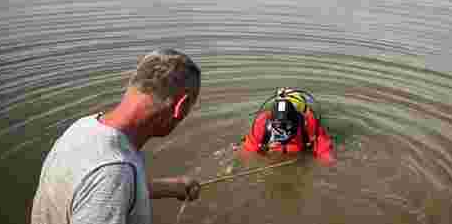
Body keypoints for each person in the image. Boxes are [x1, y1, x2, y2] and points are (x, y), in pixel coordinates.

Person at [31, 49, 202, 224]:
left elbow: (94, 190)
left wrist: (172, 187)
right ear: (181, 106)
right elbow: (108, 184)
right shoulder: (113, 172)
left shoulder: (82, 128)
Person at [241, 87, 335, 164]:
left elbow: (324, 151)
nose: (284, 131)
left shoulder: (309, 123)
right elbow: (248, 150)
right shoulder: (261, 124)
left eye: (288, 126)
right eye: (279, 126)